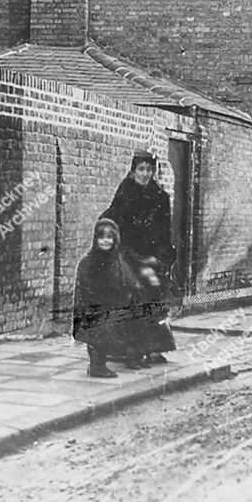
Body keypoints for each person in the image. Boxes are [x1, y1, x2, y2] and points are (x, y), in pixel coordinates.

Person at [101, 149, 178, 364]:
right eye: (141, 169)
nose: (144, 174)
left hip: (151, 256)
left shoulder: (160, 197)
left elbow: (164, 230)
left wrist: (162, 258)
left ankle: (154, 347)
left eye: (149, 169)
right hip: (127, 254)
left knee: (155, 295)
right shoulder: (125, 193)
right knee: (132, 296)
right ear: (133, 171)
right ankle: (128, 349)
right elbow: (112, 219)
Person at [72, 219, 143, 377]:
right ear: (95, 239)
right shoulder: (88, 261)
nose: (105, 241)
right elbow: (83, 284)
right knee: (97, 336)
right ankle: (97, 366)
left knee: (112, 334)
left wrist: (131, 292)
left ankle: (117, 360)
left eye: (109, 237)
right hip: (94, 305)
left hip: (114, 303)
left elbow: (128, 279)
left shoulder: (117, 259)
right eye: (101, 237)